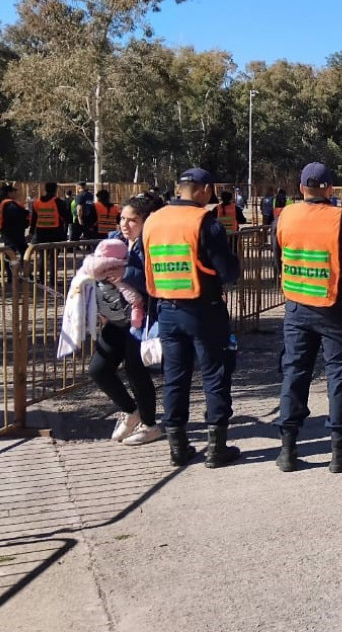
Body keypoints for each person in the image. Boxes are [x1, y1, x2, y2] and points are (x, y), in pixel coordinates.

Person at [272, 163, 342, 474]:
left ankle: (288, 449)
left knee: (295, 373)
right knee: (339, 374)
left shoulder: (286, 216)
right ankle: (340, 451)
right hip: (335, 307)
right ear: (330, 188)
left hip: (297, 306)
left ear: (302, 188)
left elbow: (279, 257)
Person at [143, 168, 241, 468]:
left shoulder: (154, 220)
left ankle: (178, 447)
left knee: (175, 378)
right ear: (205, 189)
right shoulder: (204, 223)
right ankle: (216, 448)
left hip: (167, 309)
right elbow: (228, 272)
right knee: (214, 375)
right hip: (204, 310)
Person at [87, 195, 162, 446]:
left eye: (133, 220)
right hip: (116, 316)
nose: (125, 225)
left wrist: (126, 273)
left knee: (135, 369)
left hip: (142, 318)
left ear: (146, 221)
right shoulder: (113, 240)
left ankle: (150, 425)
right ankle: (131, 411)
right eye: (122, 218)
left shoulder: (152, 243)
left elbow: (154, 283)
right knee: (98, 369)